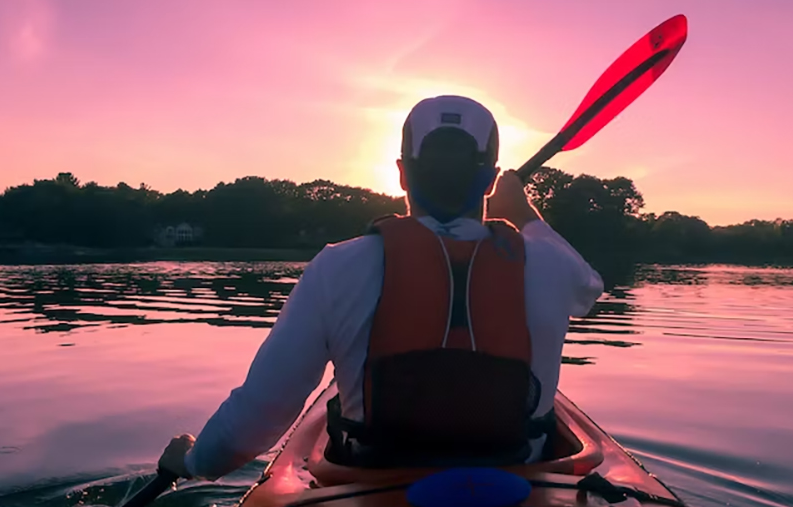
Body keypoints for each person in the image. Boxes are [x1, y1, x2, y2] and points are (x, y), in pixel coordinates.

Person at [158, 95, 604, 479]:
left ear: (402, 174)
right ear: (489, 179)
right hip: (521, 487)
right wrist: (523, 211)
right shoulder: (550, 264)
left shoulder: (338, 266)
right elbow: (589, 287)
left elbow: (257, 417)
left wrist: (194, 462)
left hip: (373, 487)